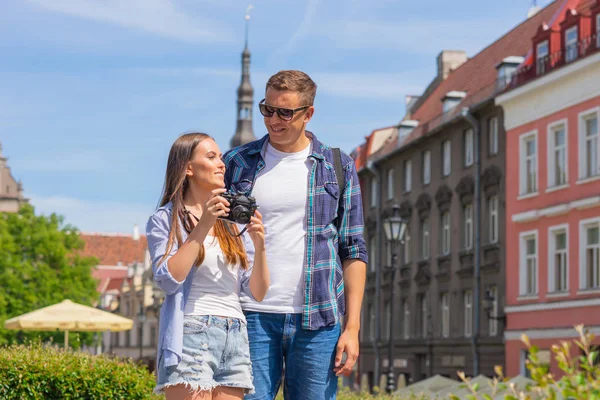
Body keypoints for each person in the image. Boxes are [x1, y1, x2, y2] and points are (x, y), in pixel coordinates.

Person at [223, 70, 368, 400]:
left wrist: (353, 327)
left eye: (285, 112)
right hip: (250, 315)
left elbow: (354, 249)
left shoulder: (338, 167)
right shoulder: (236, 163)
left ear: (308, 114)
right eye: (267, 109)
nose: (274, 120)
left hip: (318, 320)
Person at [147, 132, 270, 400]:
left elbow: (257, 292)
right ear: (188, 167)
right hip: (191, 330)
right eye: (211, 157)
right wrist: (203, 224)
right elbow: (168, 280)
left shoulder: (232, 222)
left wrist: (260, 246)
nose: (221, 164)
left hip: (235, 333)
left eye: (221, 158)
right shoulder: (165, 219)